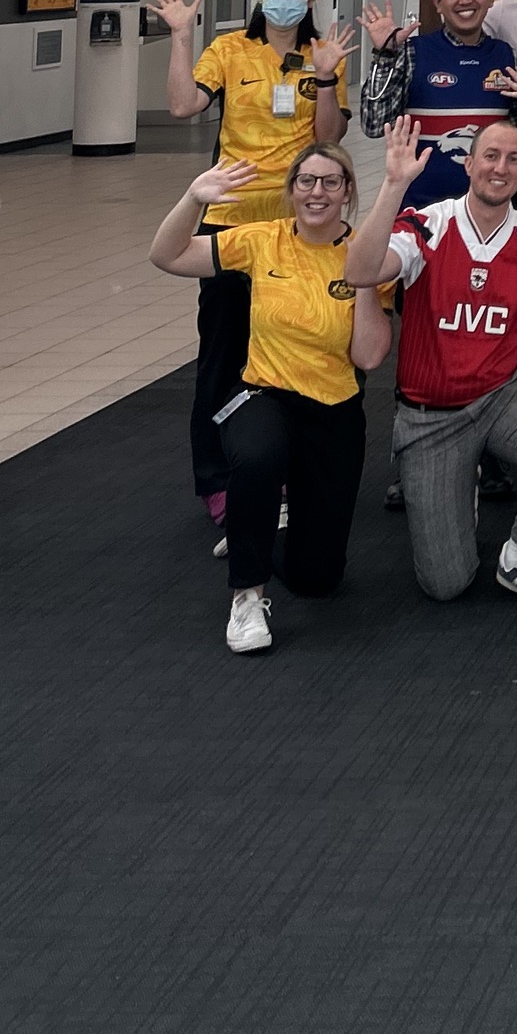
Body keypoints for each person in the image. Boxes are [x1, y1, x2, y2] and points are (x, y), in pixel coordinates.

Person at [344, 117, 517, 611]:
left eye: (513, 159)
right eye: (490, 156)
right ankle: (454, 487)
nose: (500, 167)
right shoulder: (428, 222)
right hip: (432, 412)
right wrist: (394, 185)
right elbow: (359, 270)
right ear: (468, 164)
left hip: (504, 390)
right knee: (446, 584)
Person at [149, 142, 390, 653]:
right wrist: (194, 198)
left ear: (348, 192)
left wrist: (363, 275)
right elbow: (166, 255)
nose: (317, 192)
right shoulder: (264, 239)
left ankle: (249, 526)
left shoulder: (368, 255)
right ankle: (246, 597)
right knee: (258, 456)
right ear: (291, 191)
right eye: (306, 181)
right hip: (265, 393)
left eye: (330, 182)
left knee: (318, 580)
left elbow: (368, 358)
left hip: (334, 408)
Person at [146, 0, 354, 522]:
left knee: (295, 345)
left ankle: (284, 469)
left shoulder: (322, 52)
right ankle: (218, 479)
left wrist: (329, 78)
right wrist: (182, 36)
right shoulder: (230, 48)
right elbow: (184, 106)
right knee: (223, 350)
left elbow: (330, 139)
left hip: (302, 224)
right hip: (232, 220)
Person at [358, 0, 517, 210]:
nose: (465, 0)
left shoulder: (505, 54)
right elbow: (374, 124)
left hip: (489, 210)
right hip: (420, 210)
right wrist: (385, 55)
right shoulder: (413, 52)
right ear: (437, 2)